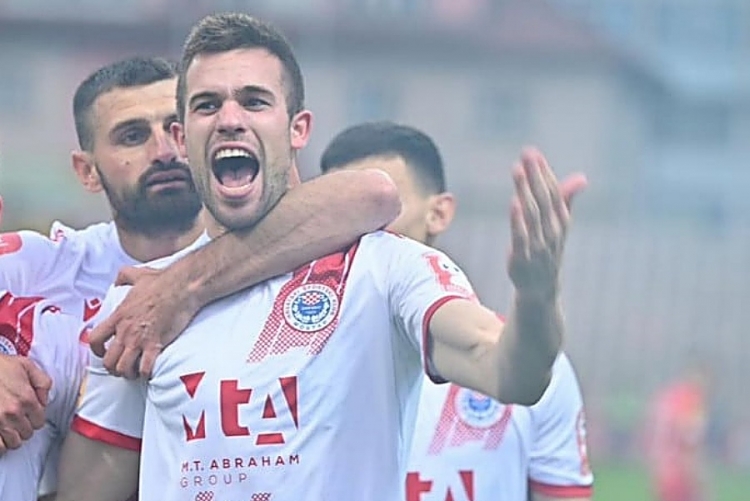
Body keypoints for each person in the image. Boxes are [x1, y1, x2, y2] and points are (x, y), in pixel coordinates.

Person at [58, 12, 586, 501]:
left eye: (254, 101)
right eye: (207, 105)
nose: (229, 119)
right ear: (182, 135)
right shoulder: (145, 304)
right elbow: (88, 488)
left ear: (298, 129)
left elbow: (512, 374)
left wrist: (537, 296)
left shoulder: (384, 269)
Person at [0, 55, 400, 496]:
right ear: (87, 170)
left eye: (174, 128)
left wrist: (181, 287)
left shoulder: (291, 242)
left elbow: (371, 195)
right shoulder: (41, 265)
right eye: (132, 136)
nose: (163, 152)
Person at [320, 121, 594, 501]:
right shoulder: (292, 365)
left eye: (379, 208)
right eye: (338, 211)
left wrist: (538, 294)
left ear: (438, 213)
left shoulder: (538, 364)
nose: (358, 230)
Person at [645, 358, 712, 501]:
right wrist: (700, 480)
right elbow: (689, 442)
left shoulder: (668, 396)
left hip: (662, 469)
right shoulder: (692, 401)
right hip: (681, 473)